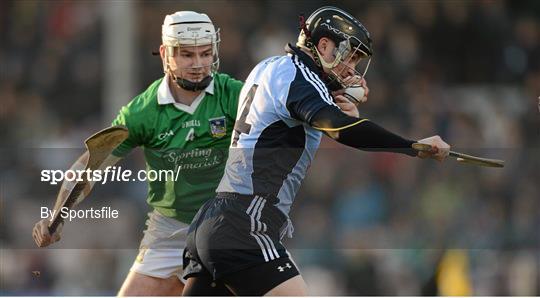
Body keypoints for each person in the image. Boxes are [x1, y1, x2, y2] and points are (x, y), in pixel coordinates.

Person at [181, 6, 450, 296]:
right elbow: (338, 129)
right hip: (246, 221)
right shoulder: (299, 75)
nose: (352, 68)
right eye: (350, 56)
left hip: (214, 221)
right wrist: (412, 146)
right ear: (323, 45)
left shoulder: (270, 67)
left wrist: (335, 105)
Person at [31, 11, 243, 296]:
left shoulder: (234, 94)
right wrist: (57, 217)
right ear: (166, 54)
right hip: (170, 229)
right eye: (187, 55)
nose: (198, 65)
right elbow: (89, 166)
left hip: (226, 225)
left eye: (205, 54)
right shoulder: (143, 112)